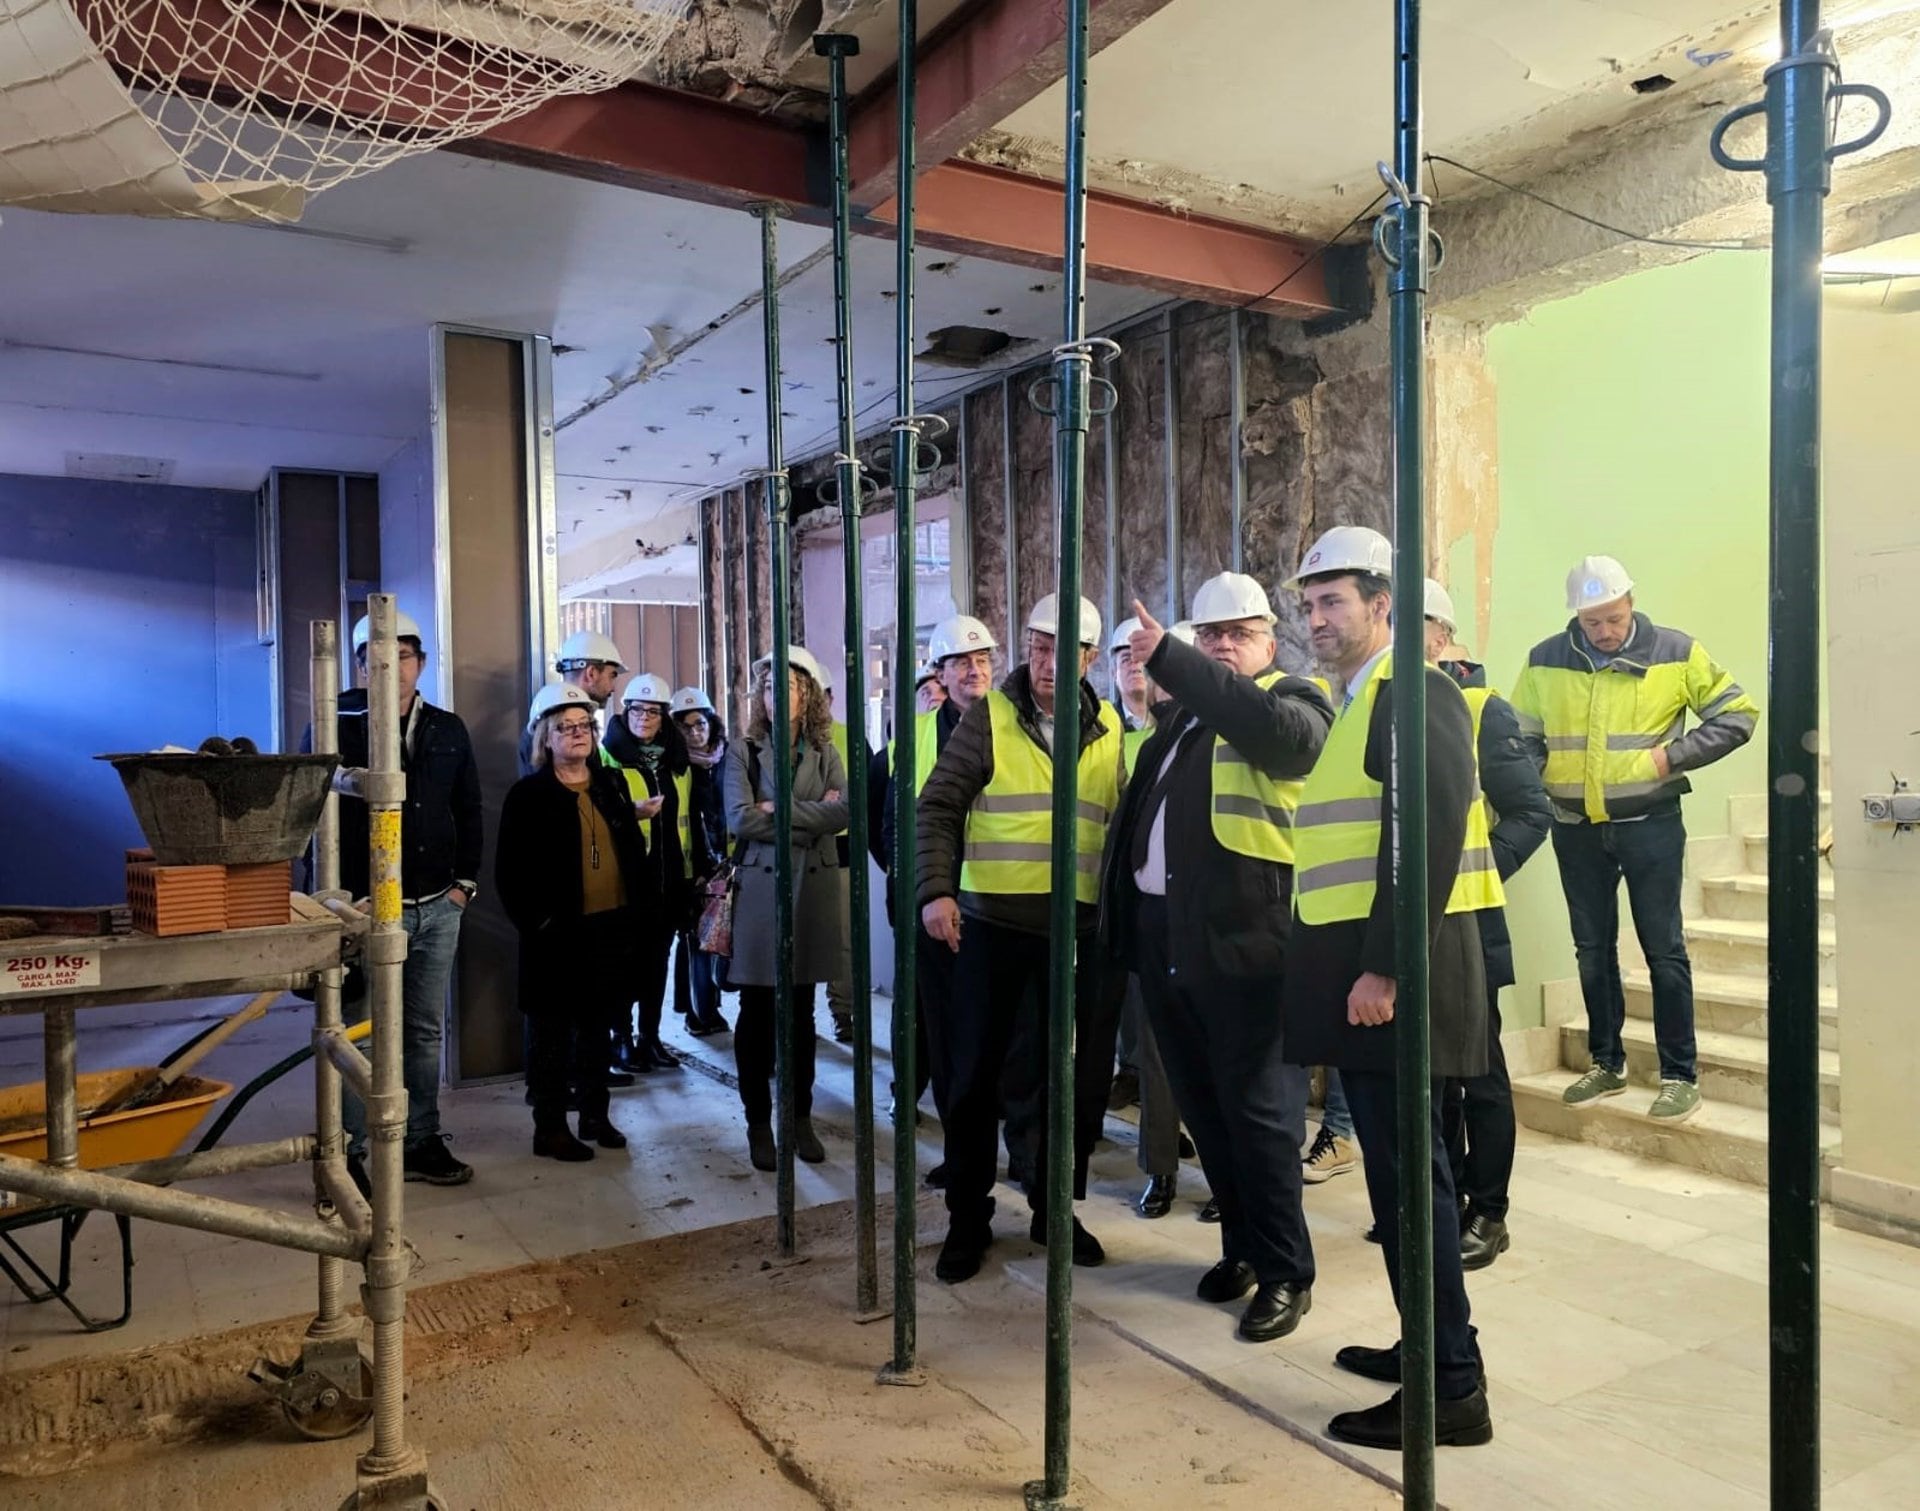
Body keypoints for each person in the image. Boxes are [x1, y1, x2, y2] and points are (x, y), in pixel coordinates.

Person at [1280, 524, 1494, 1450]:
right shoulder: (1365, 696)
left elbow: (1425, 833)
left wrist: (1385, 967)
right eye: (1310, 602)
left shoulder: (1414, 692)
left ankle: (1450, 1386)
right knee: (1408, 1184)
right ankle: (1430, 1350)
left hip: (1401, 981)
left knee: (1415, 1188)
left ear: (1384, 606)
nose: (1317, 618)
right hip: (1378, 982)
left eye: (1335, 601)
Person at [1101, 575, 1332, 1340]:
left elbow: (1265, 727)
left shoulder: (1296, 704)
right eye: (1211, 634)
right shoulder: (1183, 725)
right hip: (1172, 946)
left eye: (1239, 632)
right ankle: (1243, 1248)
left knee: (1262, 1120)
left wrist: (1168, 654)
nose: (1223, 644)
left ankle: (1286, 1271)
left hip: (1253, 950)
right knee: (1209, 1114)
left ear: (1271, 640)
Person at [916, 593, 1123, 1283]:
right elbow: (939, 805)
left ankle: (1052, 1206)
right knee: (973, 1077)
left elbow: (1118, 829)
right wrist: (936, 891)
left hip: (1076, 935)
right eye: (1037, 645)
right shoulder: (989, 719)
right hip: (993, 930)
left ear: (1090, 659)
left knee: (1061, 1082)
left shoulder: (1111, 728)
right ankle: (968, 1217)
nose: (1045, 661)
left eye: (1063, 649)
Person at [1509, 555, 1758, 1123]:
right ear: (1577, 615)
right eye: (1592, 621)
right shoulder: (1545, 660)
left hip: (1651, 827)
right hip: (1575, 830)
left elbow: (1737, 715)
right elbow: (1519, 735)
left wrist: (1671, 756)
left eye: (1613, 618)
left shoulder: (1676, 651)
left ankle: (1679, 1074)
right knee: (1592, 950)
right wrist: (1542, 781)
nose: (1604, 631)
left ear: (1631, 603)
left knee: (1663, 950)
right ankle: (1607, 1062)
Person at [307, 608, 482, 1194]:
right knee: (360, 1030)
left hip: (437, 906)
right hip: (362, 911)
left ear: (420, 663)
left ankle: (419, 1140)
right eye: (376, 659)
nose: (391, 668)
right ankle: (353, 1151)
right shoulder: (334, 725)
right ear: (359, 666)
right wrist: (325, 906)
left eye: (403, 657)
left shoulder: (448, 728)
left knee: (424, 1029)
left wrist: (463, 887)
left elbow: (470, 808)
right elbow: (313, 818)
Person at [1424, 579, 1551, 1270]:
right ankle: (1441, 1203)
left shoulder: (1482, 710)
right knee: (1432, 1075)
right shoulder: (1378, 705)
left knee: (1480, 1074)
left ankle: (1490, 1210)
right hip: (1407, 923)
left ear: (1442, 636)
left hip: (1468, 920)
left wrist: (1473, 870)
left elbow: (1533, 814)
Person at [496, 683, 652, 1161]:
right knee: (551, 1038)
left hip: (609, 930)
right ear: (546, 737)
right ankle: (550, 1128)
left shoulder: (611, 784)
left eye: (585, 726)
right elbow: (509, 874)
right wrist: (540, 925)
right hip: (556, 938)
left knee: (597, 1030)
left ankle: (594, 1114)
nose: (578, 735)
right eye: (566, 727)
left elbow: (631, 851)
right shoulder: (528, 796)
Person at [879, 614, 998, 1183]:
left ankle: (1020, 1155)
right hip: (935, 913)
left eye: (981, 662)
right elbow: (890, 829)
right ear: (941, 675)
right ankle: (962, 1157)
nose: (973, 671)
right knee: (947, 1038)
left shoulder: (1018, 728)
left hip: (1001, 908)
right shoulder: (915, 739)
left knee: (1006, 1041)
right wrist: (919, 895)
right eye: (961, 664)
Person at [724, 647, 850, 1172]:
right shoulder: (744, 751)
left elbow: (846, 812)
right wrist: (811, 812)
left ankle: (798, 1119)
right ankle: (758, 1122)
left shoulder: (828, 749)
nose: (778, 697)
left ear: (808, 695)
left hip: (814, 889)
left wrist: (778, 809)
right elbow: (740, 819)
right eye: (769, 688)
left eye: (790, 686)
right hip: (761, 892)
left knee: (801, 1013)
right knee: (756, 1014)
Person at [602, 672, 699, 1072]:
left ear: (664, 717)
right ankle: (621, 1039)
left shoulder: (677, 763)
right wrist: (632, 813)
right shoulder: (607, 756)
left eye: (654, 711)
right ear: (625, 712)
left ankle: (651, 1037)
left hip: (671, 880)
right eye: (637, 709)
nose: (644, 717)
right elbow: (602, 817)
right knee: (625, 964)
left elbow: (690, 819)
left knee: (657, 962)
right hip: (627, 882)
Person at [671, 685, 730, 1037]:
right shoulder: (676, 767)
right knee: (697, 940)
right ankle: (699, 1012)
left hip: (727, 862)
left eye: (700, 724)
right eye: (686, 726)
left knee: (720, 938)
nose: (695, 732)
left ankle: (710, 1008)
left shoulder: (728, 760)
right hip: (694, 868)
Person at [813, 653, 863, 1048]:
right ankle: (798, 1017)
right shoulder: (783, 741)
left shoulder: (851, 737)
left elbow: (857, 798)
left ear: (828, 698)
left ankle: (843, 1013)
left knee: (843, 939)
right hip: (801, 851)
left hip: (842, 850)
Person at [516, 630, 626, 774]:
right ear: (591, 673)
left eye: (584, 725)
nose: (613, 688)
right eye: (612, 676)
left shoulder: (550, 724)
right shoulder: (545, 727)